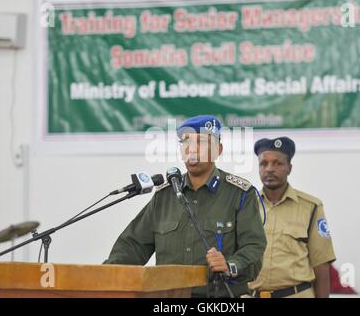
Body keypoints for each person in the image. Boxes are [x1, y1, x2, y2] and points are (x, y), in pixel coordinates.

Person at [104, 115, 267, 298]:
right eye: (186, 142)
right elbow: (133, 245)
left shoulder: (240, 194)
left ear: (218, 150)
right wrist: (105, 275)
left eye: (201, 142)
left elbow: (254, 248)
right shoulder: (165, 196)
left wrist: (230, 266)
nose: (192, 149)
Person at [249, 137, 336, 298]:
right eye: (264, 163)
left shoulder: (310, 207)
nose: (269, 169)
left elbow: (321, 265)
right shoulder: (245, 206)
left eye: (277, 163)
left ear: (289, 168)